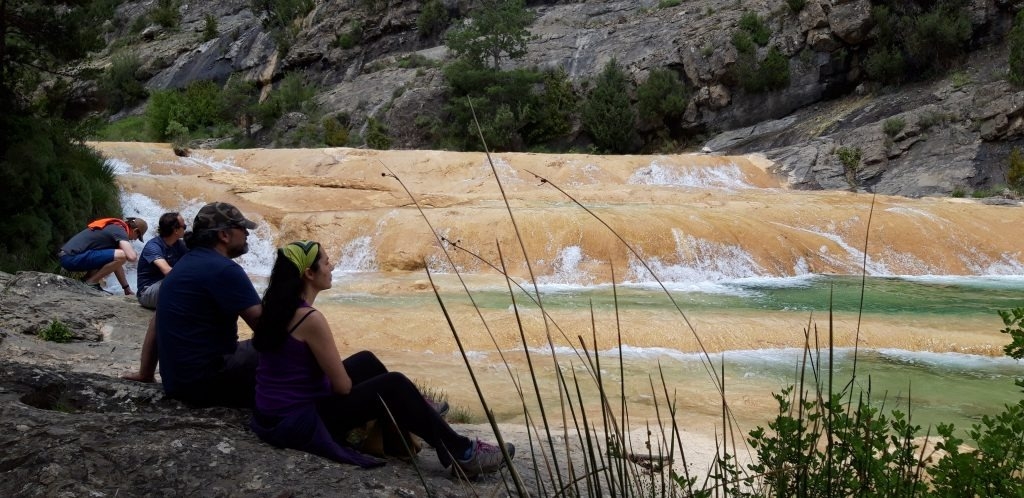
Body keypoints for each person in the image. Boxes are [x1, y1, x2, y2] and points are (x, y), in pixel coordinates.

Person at [249, 240, 515, 477]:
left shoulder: (276, 309)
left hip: (273, 415)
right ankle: (461, 453)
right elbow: (342, 387)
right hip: (299, 422)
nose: (332, 266)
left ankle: (420, 411)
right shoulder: (310, 319)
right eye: (327, 262)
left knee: (366, 361)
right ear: (309, 273)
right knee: (394, 384)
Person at [154, 202, 262, 408]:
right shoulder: (225, 270)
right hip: (207, 384)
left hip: (176, 383)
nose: (247, 234)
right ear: (224, 235)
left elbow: (156, 321)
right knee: (291, 343)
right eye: (242, 228)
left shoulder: (182, 265)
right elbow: (269, 332)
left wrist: (145, 372)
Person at [121, 212, 189, 383]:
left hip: (165, 290)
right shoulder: (154, 246)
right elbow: (167, 271)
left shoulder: (179, 245)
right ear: (175, 230)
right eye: (184, 227)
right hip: (148, 292)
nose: (185, 230)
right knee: (177, 282)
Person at [58, 216, 148, 294]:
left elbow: (116, 264)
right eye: (138, 237)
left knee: (118, 256)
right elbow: (131, 257)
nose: (135, 240)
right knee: (124, 254)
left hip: (69, 257)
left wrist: (126, 288)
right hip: (71, 257)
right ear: (135, 231)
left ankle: (87, 280)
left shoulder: (115, 227)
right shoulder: (120, 231)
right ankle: (91, 283)